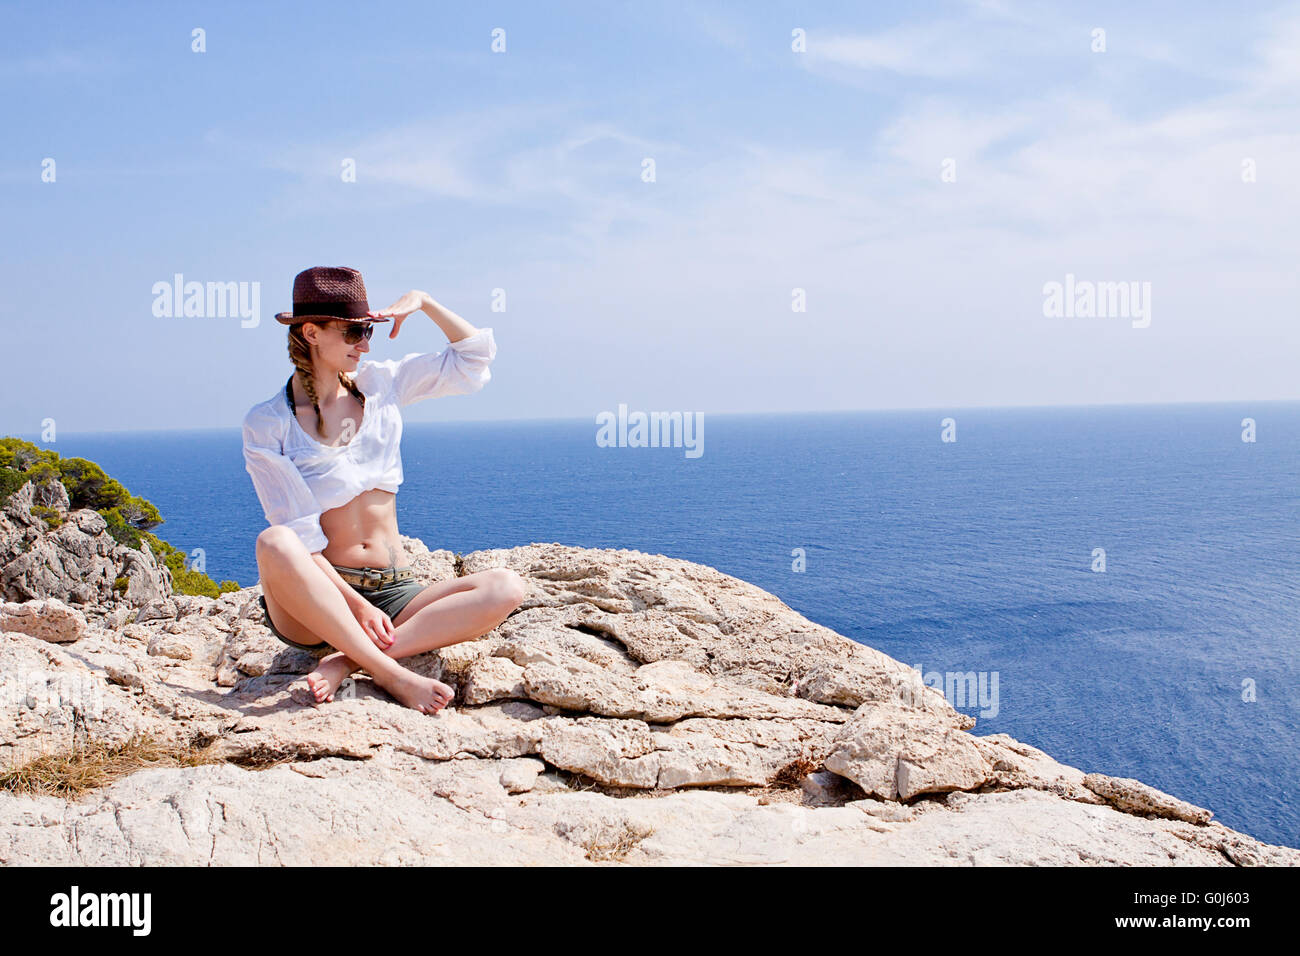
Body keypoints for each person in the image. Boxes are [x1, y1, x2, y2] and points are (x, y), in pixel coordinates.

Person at [241, 266, 524, 715]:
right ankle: (391, 673)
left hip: (396, 592)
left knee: (505, 588)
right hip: (320, 600)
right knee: (275, 541)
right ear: (311, 333)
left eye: (368, 330)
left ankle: (348, 661)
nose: (365, 344)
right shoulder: (269, 423)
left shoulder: (383, 384)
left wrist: (425, 301)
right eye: (354, 332)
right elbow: (299, 537)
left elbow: (473, 359)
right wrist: (354, 605)